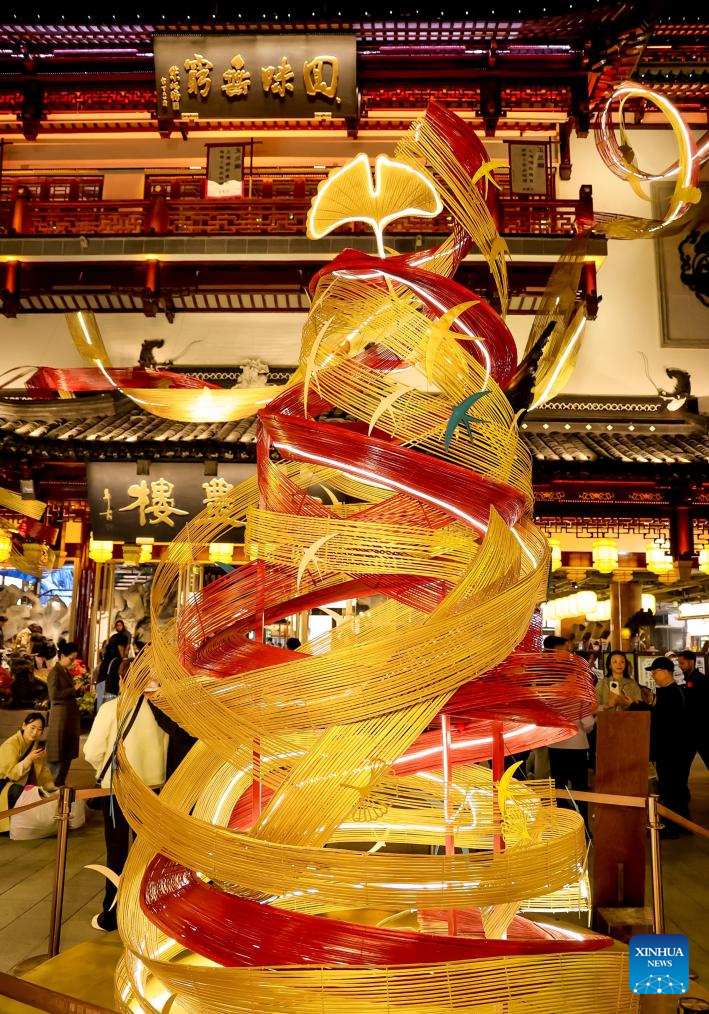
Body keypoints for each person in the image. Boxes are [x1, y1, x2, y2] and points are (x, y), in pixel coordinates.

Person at [84, 674, 168, 931]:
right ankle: (148, 911)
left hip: (118, 790)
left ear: (122, 680)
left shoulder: (112, 708)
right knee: (148, 852)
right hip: (154, 790)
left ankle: (113, 913)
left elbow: (92, 751)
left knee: (117, 851)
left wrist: (103, 770)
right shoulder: (162, 711)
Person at [646, 656, 694, 834]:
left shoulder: (672, 693)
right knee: (675, 788)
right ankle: (683, 825)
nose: (653, 676)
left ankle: (673, 827)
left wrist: (639, 706)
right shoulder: (671, 691)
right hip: (673, 751)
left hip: (672, 751)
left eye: (655, 672)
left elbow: (664, 723)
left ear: (666, 672)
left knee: (670, 789)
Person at [0, 712, 55, 833]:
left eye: (39, 729)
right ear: (24, 725)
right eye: (32, 728)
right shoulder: (11, 745)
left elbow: (43, 771)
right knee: (21, 793)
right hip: (3, 785)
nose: (35, 733)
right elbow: (10, 774)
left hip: (22, 784)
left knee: (42, 794)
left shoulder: (37, 746)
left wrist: (51, 787)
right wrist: (28, 759)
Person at [46, 639, 80, 786]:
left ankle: (60, 783)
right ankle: (53, 785)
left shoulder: (65, 671)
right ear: (62, 656)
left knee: (66, 752)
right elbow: (54, 695)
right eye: (71, 659)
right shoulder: (55, 672)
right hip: (60, 717)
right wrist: (73, 690)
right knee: (58, 753)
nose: (73, 662)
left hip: (67, 716)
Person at [678, 649, 709, 772]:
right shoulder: (687, 680)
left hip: (701, 730)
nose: (680, 667)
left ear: (691, 662)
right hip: (690, 731)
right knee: (682, 766)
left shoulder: (701, 680)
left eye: (682, 663)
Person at [95, 629, 130, 711]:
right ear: (121, 647)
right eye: (127, 647)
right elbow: (114, 682)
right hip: (111, 697)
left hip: (102, 695)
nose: (127, 650)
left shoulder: (107, 658)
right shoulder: (117, 661)